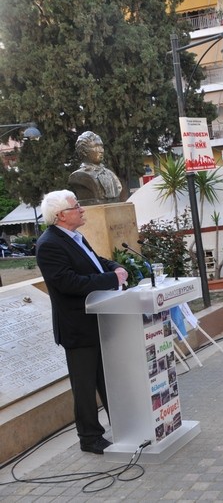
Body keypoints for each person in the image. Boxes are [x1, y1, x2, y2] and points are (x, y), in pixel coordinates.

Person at [35, 190, 129, 454]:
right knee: (85, 386)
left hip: (98, 321)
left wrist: (114, 268)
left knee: (107, 380)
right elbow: (68, 283)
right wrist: (112, 280)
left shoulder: (74, 236)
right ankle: (89, 438)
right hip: (78, 327)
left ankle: (123, 425)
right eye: (77, 207)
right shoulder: (49, 244)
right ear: (61, 215)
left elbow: (93, 262)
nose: (82, 210)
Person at [67, 131, 124, 205]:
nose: (101, 150)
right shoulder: (79, 176)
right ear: (84, 151)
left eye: (101, 146)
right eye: (96, 146)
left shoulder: (110, 174)